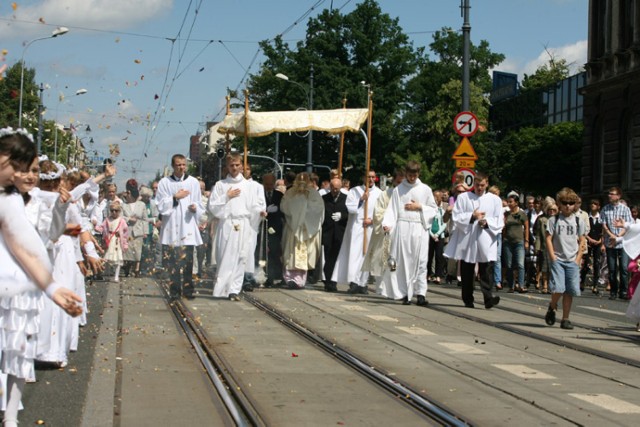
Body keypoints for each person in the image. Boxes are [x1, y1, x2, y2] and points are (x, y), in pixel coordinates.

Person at [0, 127, 83, 427]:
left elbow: (45, 237)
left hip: (22, 288)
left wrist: (60, 208)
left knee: (18, 350)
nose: (29, 176)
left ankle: (10, 416)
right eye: (22, 169)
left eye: (33, 170)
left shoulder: (36, 204)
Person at [378, 161, 437, 305]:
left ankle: (420, 293)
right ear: (406, 174)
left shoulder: (425, 189)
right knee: (403, 261)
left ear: (418, 174)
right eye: (409, 175)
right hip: (403, 227)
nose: (411, 178)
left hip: (419, 227)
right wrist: (388, 224)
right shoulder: (399, 189)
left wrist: (420, 207)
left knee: (421, 261)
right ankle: (404, 293)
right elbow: (392, 209)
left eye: (414, 175)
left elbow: (433, 209)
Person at [209, 154, 263, 300]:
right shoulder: (221, 185)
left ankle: (234, 289)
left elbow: (254, 205)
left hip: (244, 223)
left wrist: (260, 211)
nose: (234, 168)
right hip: (227, 223)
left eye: (237, 165)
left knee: (241, 257)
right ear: (227, 166)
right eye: (231, 165)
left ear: (241, 166)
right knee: (225, 256)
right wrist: (227, 196)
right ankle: (222, 288)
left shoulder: (249, 186)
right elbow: (213, 207)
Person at [444, 171, 502, 309]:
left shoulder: (495, 200)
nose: (479, 188)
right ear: (473, 184)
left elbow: (499, 220)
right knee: (467, 270)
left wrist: (486, 223)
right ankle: (468, 298)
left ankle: (488, 298)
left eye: (482, 185)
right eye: (477, 185)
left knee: (486, 268)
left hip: (485, 237)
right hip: (468, 238)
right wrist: (472, 216)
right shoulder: (464, 198)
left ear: (487, 184)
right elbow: (457, 216)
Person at [156, 154, 204, 300]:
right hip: (171, 227)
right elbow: (160, 205)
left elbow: (199, 202)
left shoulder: (193, 182)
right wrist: (175, 197)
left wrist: (195, 207)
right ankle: (174, 290)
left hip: (187, 226)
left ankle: (188, 290)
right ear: (173, 166)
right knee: (173, 263)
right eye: (178, 165)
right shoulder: (165, 182)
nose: (181, 167)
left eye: (183, 164)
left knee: (188, 261)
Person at [332, 170, 383, 294]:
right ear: (363, 177)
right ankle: (353, 282)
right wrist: (361, 200)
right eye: (368, 177)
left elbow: (382, 211)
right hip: (356, 226)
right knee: (355, 255)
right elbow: (350, 207)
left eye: (373, 177)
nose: (370, 179)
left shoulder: (380, 193)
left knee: (367, 255)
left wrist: (371, 221)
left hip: (370, 226)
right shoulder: (355, 191)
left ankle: (363, 283)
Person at [544, 187, 587, 330]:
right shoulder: (553, 220)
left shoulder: (578, 220)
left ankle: (565, 318)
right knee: (558, 288)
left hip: (572, 259)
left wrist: (578, 258)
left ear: (575, 204)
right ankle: (552, 306)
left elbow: (582, 240)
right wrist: (553, 257)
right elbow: (548, 239)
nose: (568, 205)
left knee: (570, 290)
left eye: (570, 203)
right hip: (558, 259)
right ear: (559, 203)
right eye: (564, 202)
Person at [280, 172, 324, 289]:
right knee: (290, 254)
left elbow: (319, 208)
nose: (302, 186)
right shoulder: (290, 193)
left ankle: (300, 280)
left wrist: (304, 207)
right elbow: (284, 206)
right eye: (300, 183)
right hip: (292, 228)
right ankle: (289, 278)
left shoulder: (314, 194)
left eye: (304, 183)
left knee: (303, 255)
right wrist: (297, 204)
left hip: (306, 228)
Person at [361, 169, 405, 283]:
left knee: (400, 263)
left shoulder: (408, 194)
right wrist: (386, 223)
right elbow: (378, 213)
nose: (401, 186)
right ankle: (382, 286)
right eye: (398, 183)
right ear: (394, 182)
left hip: (403, 234)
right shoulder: (385, 194)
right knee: (384, 261)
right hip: (386, 233)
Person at [601, 186, 633, 300]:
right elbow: (604, 224)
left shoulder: (625, 209)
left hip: (622, 242)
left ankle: (623, 291)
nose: (609, 195)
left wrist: (618, 236)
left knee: (624, 268)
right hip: (611, 242)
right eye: (609, 193)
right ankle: (613, 291)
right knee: (612, 268)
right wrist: (611, 236)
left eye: (612, 194)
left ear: (618, 196)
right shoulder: (605, 209)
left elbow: (628, 225)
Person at [321, 178, 349, 292]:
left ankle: (333, 281)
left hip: (340, 233)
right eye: (332, 188)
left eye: (337, 188)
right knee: (328, 257)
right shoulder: (324, 199)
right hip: (327, 232)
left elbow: (350, 213)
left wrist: (342, 215)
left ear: (340, 187)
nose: (334, 190)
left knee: (336, 257)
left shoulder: (345, 199)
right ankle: (328, 281)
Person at [503, 192, 529, 293]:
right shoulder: (506, 214)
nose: (509, 204)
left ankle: (521, 285)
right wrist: (503, 238)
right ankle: (511, 286)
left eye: (511, 202)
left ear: (516, 203)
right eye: (508, 202)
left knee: (520, 264)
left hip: (519, 242)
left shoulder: (522, 214)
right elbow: (504, 227)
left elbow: (526, 227)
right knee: (509, 265)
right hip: (508, 242)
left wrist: (526, 241)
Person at [122, 179, 148, 277]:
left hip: (138, 231)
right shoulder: (123, 205)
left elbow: (145, 219)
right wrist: (129, 219)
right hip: (127, 231)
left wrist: (145, 231)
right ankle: (127, 267)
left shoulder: (142, 205)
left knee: (138, 250)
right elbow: (120, 217)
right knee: (128, 250)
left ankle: (137, 268)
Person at [261, 173, 284, 288]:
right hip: (262, 227)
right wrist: (265, 210)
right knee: (264, 253)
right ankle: (267, 276)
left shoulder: (279, 195)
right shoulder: (259, 194)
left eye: (271, 184)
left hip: (275, 228)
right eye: (266, 184)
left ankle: (275, 275)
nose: (269, 187)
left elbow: (283, 210)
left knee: (275, 252)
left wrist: (277, 210)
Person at [100, 201, 129, 282]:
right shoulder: (107, 219)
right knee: (107, 258)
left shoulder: (121, 221)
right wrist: (96, 227)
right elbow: (102, 227)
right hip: (109, 240)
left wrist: (125, 242)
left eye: (116, 211)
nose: (114, 212)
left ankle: (116, 276)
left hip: (117, 241)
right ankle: (107, 274)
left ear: (119, 211)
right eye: (112, 210)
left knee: (118, 259)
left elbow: (126, 232)